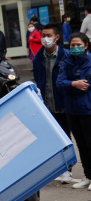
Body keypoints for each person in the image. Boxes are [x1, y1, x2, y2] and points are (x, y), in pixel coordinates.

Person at [33, 23, 72, 184]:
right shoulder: (38, 58)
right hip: (47, 105)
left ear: (56, 37)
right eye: (43, 35)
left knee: (66, 137)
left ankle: (68, 169)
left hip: (63, 103)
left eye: (48, 35)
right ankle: (58, 168)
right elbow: (38, 79)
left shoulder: (66, 56)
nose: (45, 39)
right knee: (52, 139)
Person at [57, 32, 91, 190]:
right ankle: (87, 176)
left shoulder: (89, 61)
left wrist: (70, 85)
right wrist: (74, 84)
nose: (75, 48)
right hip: (71, 110)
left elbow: (86, 86)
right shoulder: (66, 61)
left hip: (87, 109)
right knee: (81, 145)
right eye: (72, 45)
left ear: (86, 46)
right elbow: (59, 83)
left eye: (78, 45)